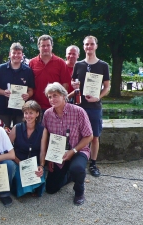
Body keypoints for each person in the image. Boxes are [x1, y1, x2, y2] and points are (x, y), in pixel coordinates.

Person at [42, 82, 93, 206]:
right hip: (58, 154)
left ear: (64, 96)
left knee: (77, 168)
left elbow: (89, 136)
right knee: (51, 189)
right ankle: (70, 175)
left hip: (78, 150)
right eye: (49, 97)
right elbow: (47, 138)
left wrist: (73, 151)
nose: (52, 99)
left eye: (55, 95)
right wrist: (51, 159)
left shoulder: (78, 111)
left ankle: (79, 191)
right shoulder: (47, 114)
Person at [72, 36, 110, 177]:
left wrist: (97, 97)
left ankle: (93, 164)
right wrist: (74, 85)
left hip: (94, 107)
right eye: (86, 44)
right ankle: (78, 161)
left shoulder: (103, 65)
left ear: (96, 46)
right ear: (83, 47)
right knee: (78, 136)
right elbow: (73, 82)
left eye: (91, 44)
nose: (89, 47)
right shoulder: (78, 64)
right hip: (79, 106)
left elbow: (107, 87)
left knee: (94, 136)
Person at [0, 42, 35, 128]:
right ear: (9, 54)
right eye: (14, 53)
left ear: (22, 55)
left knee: (20, 136)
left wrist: (28, 95)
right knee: (2, 134)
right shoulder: (1, 69)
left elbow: (31, 90)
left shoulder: (27, 71)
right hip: (3, 110)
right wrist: (3, 92)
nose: (16, 55)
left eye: (19, 53)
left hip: (21, 111)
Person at [9, 100, 45, 197]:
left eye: (31, 113)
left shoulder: (43, 130)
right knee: (18, 177)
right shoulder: (17, 127)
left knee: (38, 175)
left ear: (37, 114)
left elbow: (42, 151)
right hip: (17, 161)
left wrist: (41, 166)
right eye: (26, 113)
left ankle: (32, 188)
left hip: (34, 163)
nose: (28, 116)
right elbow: (7, 148)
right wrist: (18, 162)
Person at [29, 35, 71, 113]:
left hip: (55, 106)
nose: (45, 48)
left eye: (48, 45)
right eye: (43, 46)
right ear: (38, 47)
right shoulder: (32, 63)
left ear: (52, 46)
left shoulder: (60, 62)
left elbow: (65, 84)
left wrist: (61, 101)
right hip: (36, 106)